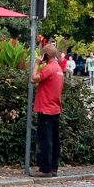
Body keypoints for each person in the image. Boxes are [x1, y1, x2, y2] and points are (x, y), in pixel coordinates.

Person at [31, 43, 64, 178]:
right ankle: (53, 167)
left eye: (42, 53)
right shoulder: (58, 69)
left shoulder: (49, 68)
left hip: (45, 109)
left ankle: (45, 169)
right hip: (55, 108)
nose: (41, 55)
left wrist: (36, 63)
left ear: (46, 55)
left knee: (45, 140)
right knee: (54, 140)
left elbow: (33, 79)